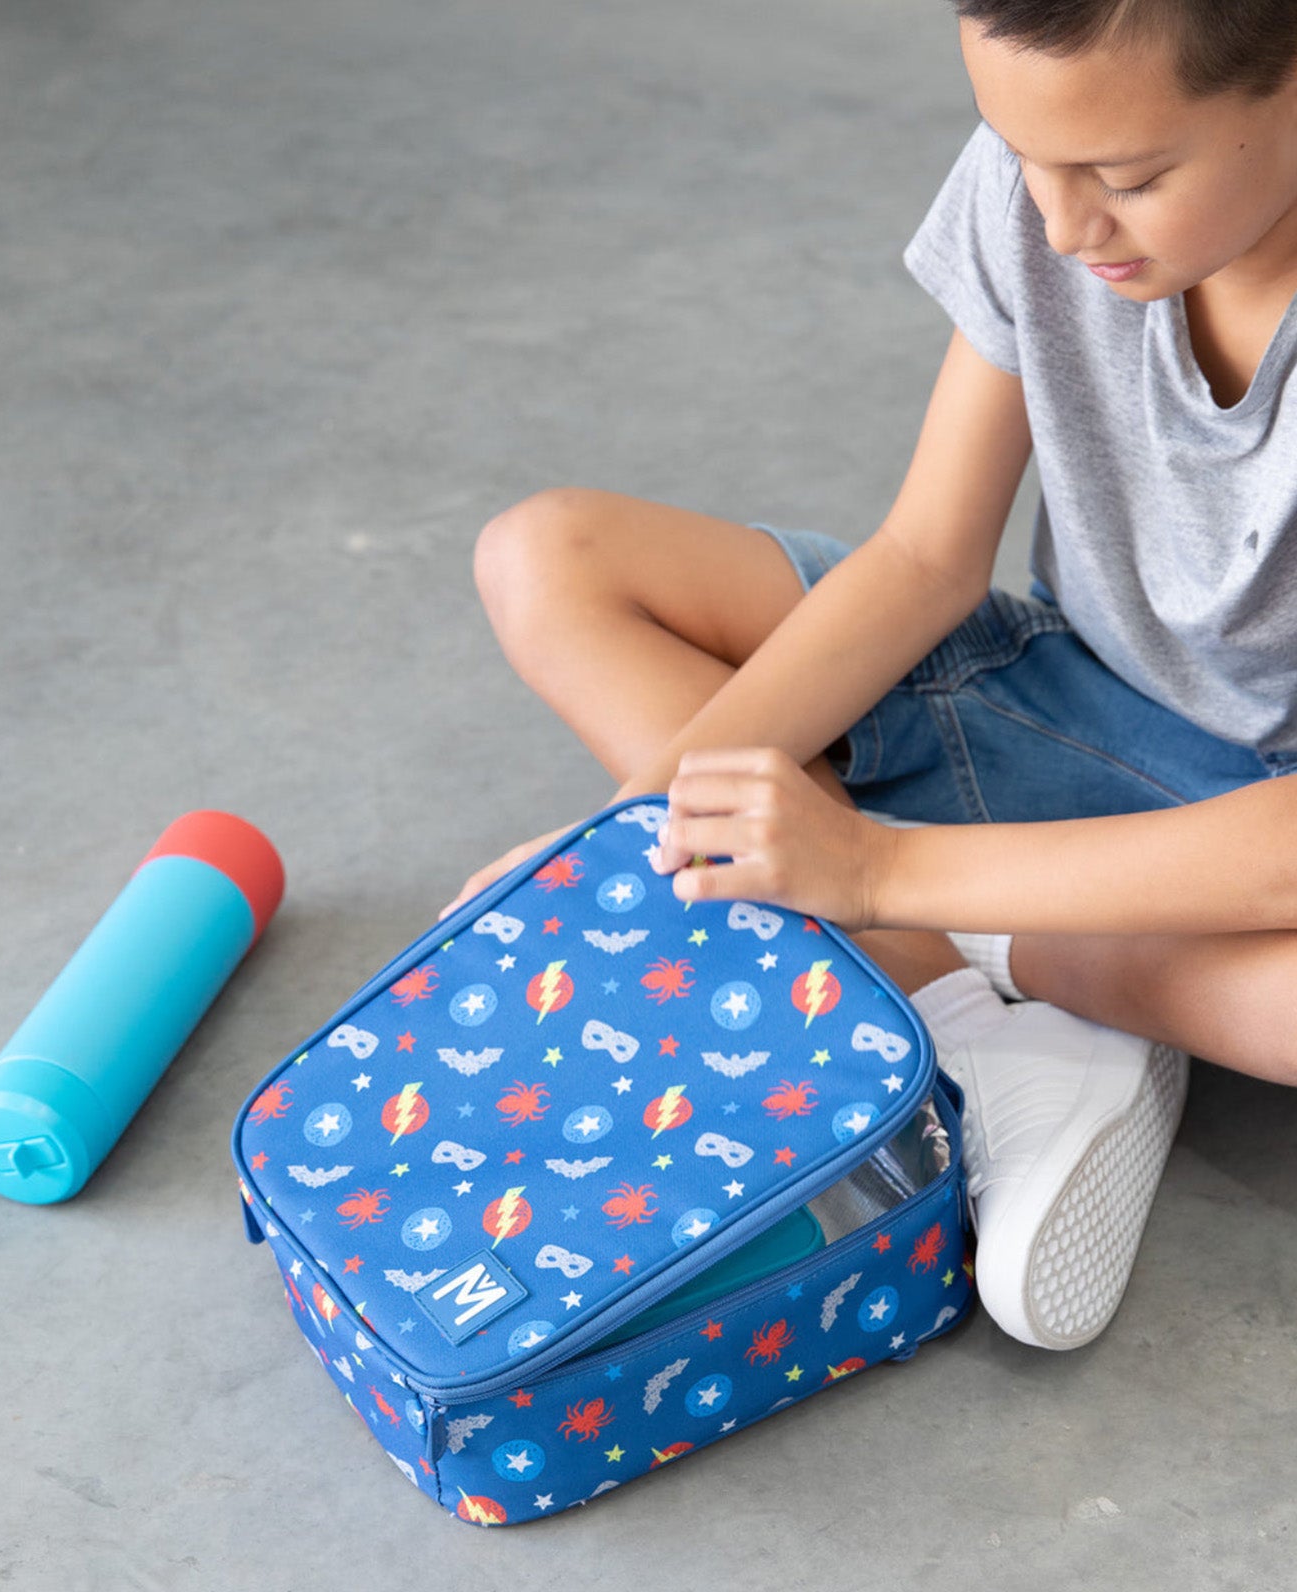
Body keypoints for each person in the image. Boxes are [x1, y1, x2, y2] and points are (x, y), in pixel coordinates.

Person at [445, 0, 1297, 1351]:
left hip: (1250, 824)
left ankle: (944, 948)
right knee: (548, 557)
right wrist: (633, 839)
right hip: (1053, 698)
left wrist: (875, 872)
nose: (1068, 225)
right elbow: (923, 559)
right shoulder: (1049, 188)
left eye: (1131, 179)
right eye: (1022, 154)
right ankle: (1008, 1010)